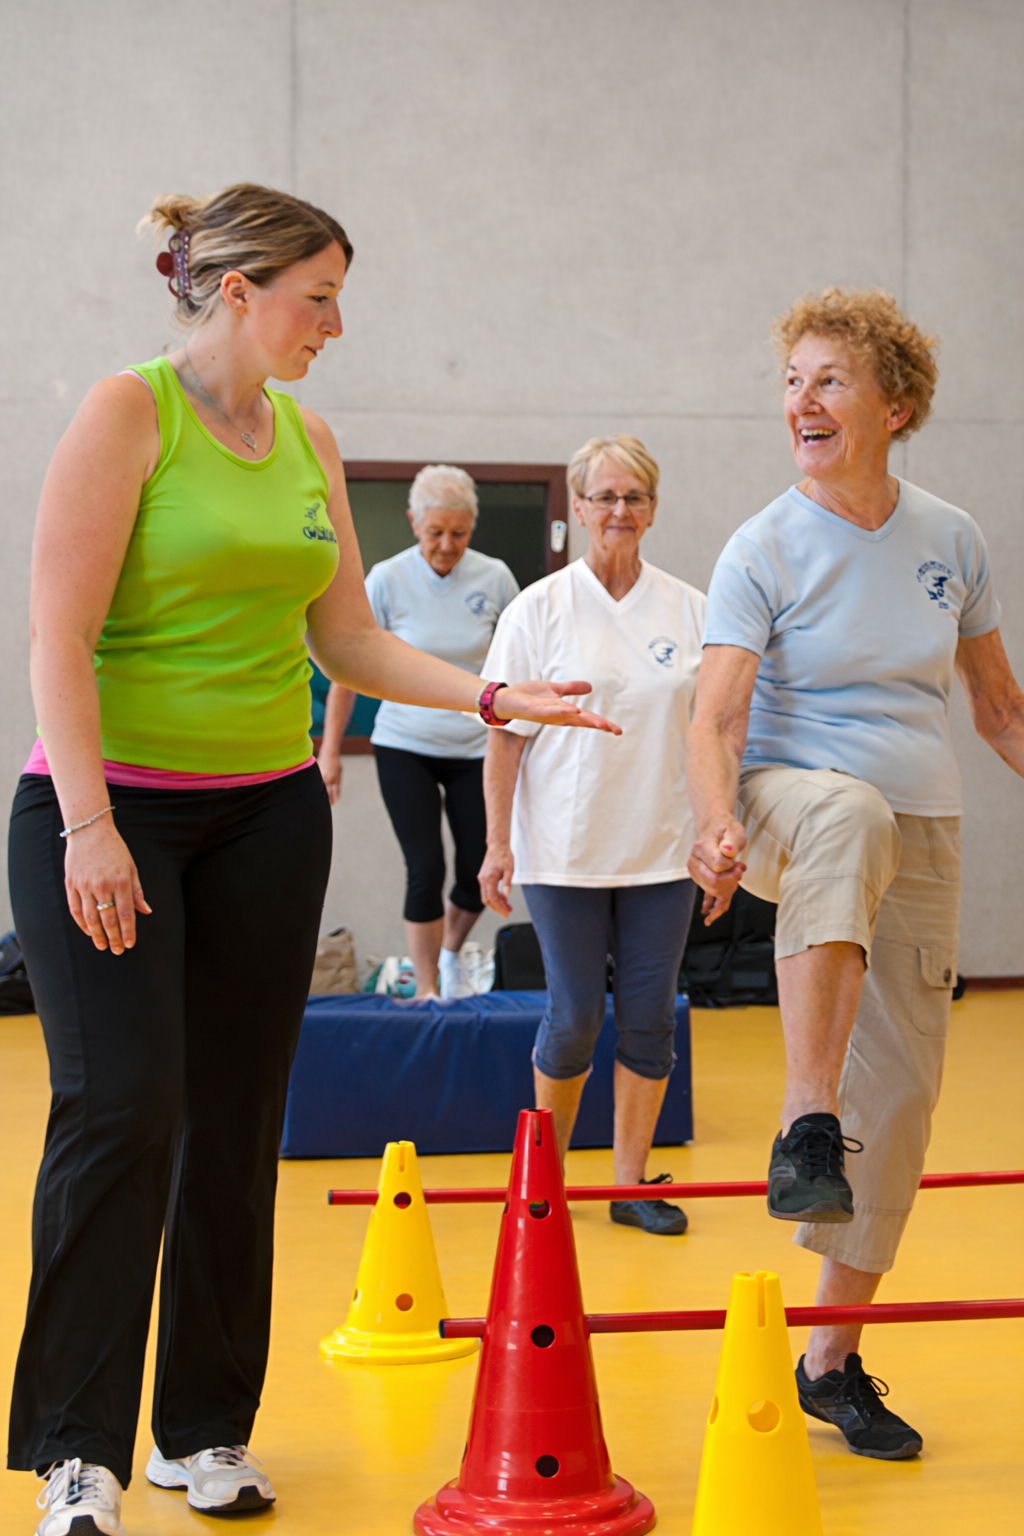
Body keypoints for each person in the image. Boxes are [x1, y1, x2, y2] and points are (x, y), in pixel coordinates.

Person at [10, 183, 617, 1536]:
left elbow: (346, 638)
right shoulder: (128, 414)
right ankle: (77, 1455)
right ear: (237, 290)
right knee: (122, 1114)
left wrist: (494, 698)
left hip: (265, 814)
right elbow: (57, 636)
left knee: (234, 1124)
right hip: (112, 810)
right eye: (318, 296)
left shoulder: (307, 437)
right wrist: (95, 825)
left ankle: (205, 1430)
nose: (334, 325)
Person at [686, 287, 1024, 1458]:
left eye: (828, 381)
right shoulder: (762, 544)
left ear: (898, 405)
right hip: (791, 801)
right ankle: (803, 1117)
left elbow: (997, 708)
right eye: (792, 382)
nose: (802, 402)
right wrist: (711, 824)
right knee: (847, 814)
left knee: (908, 1103)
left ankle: (831, 1360)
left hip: (920, 825)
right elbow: (717, 713)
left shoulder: (950, 536)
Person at [479, 435, 706, 1236]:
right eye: (604, 497)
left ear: (653, 507)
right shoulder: (537, 609)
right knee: (574, 1017)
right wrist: (497, 844)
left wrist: (713, 833)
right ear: (577, 508)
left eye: (634, 497)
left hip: (663, 850)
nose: (619, 511)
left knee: (649, 1017)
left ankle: (631, 1185)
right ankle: (544, 1187)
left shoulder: (689, 608)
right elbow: (503, 734)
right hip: (564, 851)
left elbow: (715, 729)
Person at [321, 466, 519, 997]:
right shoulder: (386, 579)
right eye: (436, 533)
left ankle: (451, 955)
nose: (447, 545)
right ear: (414, 523)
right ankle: (427, 989)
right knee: (424, 867)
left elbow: (516, 662)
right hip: (404, 744)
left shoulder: (495, 578)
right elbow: (347, 669)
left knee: (480, 869)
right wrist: (331, 752)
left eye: (459, 533)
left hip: (476, 748)